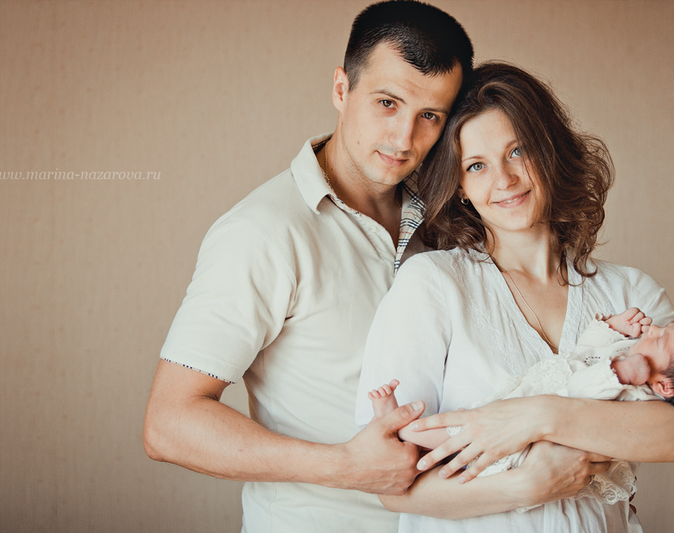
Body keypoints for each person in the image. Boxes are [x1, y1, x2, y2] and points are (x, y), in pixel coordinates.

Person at [142, 2, 475, 531]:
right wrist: (346, 466)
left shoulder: (452, 220)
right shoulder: (263, 231)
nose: (404, 138)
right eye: (387, 103)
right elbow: (169, 424)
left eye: (429, 116)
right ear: (342, 89)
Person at [355, 62, 674, 531]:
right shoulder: (432, 284)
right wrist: (527, 486)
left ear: (549, 152)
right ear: (460, 186)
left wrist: (539, 416)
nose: (504, 180)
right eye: (476, 165)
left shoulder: (632, 293)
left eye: (518, 151)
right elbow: (389, 484)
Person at [367, 307, 674, 509]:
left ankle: (399, 428)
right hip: (517, 411)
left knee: (458, 434)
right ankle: (400, 434)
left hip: (523, 448)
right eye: (664, 326)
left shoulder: (635, 395)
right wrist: (613, 328)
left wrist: (618, 374)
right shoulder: (633, 353)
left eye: (661, 340)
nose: (653, 330)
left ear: (664, 387)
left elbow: (581, 390)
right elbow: (585, 351)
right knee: (464, 429)